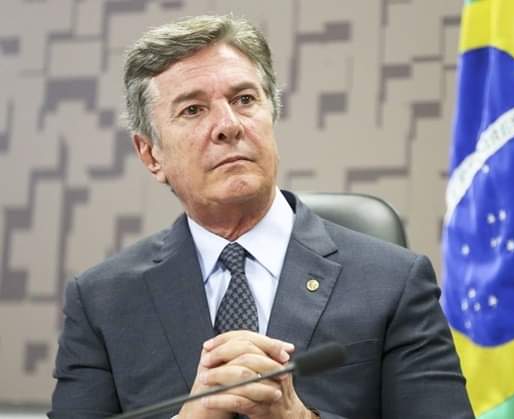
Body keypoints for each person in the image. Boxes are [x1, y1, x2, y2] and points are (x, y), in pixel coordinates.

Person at [49, 14, 473, 419]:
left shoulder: (393, 282)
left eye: (244, 99)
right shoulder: (103, 301)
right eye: (193, 109)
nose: (228, 125)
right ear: (150, 154)